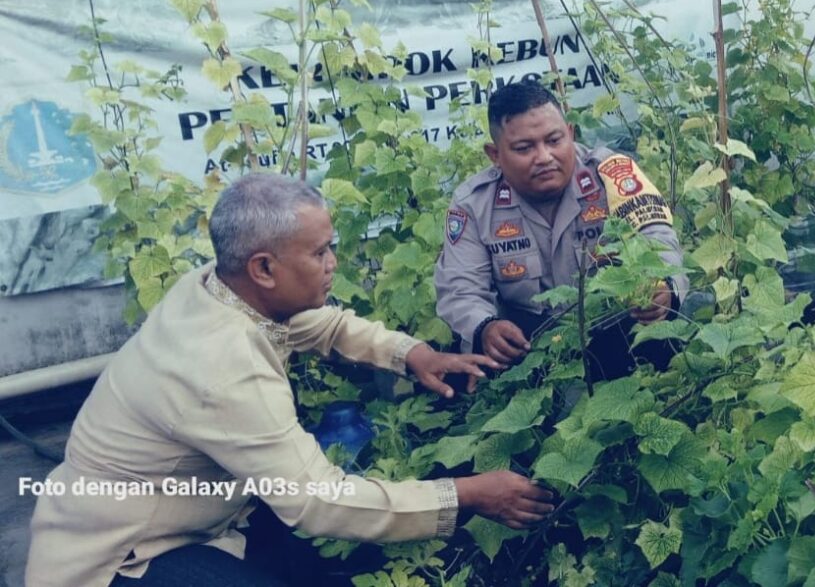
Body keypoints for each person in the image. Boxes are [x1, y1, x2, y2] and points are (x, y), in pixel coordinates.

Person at [25, 173, 554, 587]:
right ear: (263, 268)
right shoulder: (221, 367)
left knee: (328, 562)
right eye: (320, 251)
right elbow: (317, 502)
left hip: (191, 514)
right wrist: (467, 495)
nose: (333, 262)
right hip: (124, 556)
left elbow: (315, 321)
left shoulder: (216, 286)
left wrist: (411, 353)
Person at [434, 79, 689, 379]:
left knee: (666, 345)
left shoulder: (611, 174)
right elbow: (461, 288)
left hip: (616, 330)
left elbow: (657, 238)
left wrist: (663, 289)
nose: (544, 157)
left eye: (554, 140)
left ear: (570, 133)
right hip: (529, 346)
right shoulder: (474, 204)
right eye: (524, 148)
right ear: (495, 154)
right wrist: (485, 327)